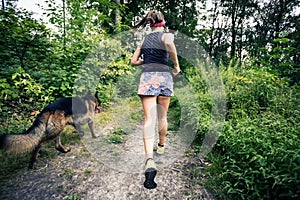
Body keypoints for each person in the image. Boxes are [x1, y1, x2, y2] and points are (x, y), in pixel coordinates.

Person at [130, 10, 181, 189]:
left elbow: (133, 61)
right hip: (164, 77)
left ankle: (149, 160)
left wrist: (145, 60)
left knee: (149, 119)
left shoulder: (144, 40)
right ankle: (161, 145)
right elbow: (169, 45)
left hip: (147, 78)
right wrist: (176, 65)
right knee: (162, 117)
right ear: (163, 22)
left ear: (150, 23)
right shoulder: (166, 35)